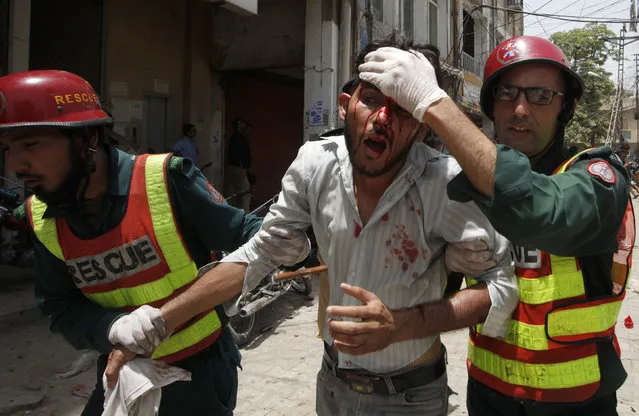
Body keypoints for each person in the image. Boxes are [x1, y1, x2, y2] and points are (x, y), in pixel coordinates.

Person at [106, 35, 519, 415]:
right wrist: (157, 322)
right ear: (345, 105)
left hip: (411, 397)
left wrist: (402, 326)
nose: (382, 119)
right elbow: (260, 251)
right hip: (333, 387)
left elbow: (502, 286)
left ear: (421, 128)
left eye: (404, 109)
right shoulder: (314, 164)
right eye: (371, 99)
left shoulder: (445, 184)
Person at [357, 36, 635, 415]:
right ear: (490, 106)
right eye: (506, 93)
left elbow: (542, 211)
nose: (520, 109)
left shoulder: (596, 178)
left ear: (565, 108)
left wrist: (435, 103)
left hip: (576, 401)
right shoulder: (464, 184)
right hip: (488, 395)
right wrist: (445, 262)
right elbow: (425, 292)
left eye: (540, 96)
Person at [0, 70, 262, 415]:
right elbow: (59, 306)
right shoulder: (42, 217)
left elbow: (250, 234)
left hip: (198, 375)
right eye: (6, 149)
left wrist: (292, 235)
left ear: (87, 139)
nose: (14, 165)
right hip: (121, 371)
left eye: (30, 144)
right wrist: (111, 327)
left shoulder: (165, 181)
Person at [225, 117, 253, 213]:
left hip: (237, 168)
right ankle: (245, 215)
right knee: (245, 192)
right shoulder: (237, 138)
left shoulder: (237, 137)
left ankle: (233, 213)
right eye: (243, 123)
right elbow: (238, 154)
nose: (246, 126)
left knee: (236, 192)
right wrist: (243, 167)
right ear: (239, 124)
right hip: (238, 168)